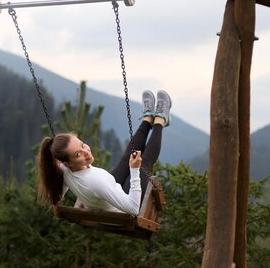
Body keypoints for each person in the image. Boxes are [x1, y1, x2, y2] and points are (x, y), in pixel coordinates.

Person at [37, 90, 171, 216]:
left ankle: (148, 118)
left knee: (126, 158)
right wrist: (135, 170)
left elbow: (60, 192)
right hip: (123, 210)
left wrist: (84, 196)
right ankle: (160, 119)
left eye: (82, 145)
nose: (86, 152)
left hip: (107, 196)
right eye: (78, 154)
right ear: (68, 162)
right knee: (144, 161)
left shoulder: (64, 171)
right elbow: (133, 209)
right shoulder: (96, 180)